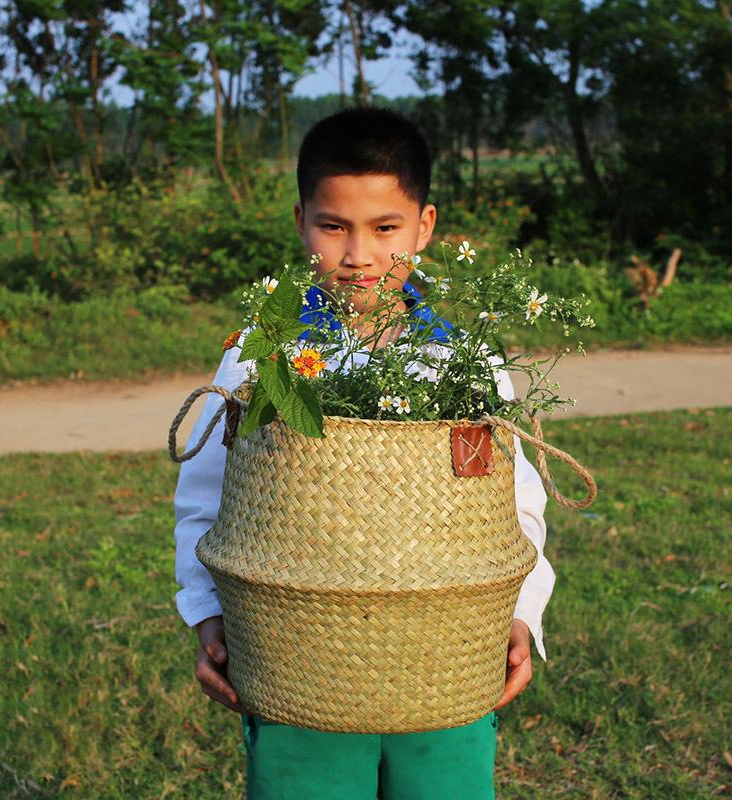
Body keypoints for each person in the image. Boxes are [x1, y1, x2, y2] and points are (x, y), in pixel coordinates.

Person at [173, 106, 556, 799]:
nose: (359, 255)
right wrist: (206, 613)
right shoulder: (261, 357)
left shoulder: (463, 360)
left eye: (386, 229)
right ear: (301, 222)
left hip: (445, 661)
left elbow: (515, 499)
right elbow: (206, 495)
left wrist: (522, 612)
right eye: (333, 226)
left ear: (425, 226)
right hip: (297, 664)